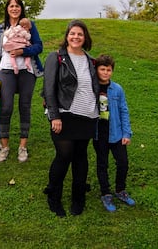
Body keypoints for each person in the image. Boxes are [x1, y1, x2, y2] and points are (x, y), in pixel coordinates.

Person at [43, 20, 99, 217]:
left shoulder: (91, 61)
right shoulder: (56, 57)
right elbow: (48, 89)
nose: (76, 37)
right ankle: (53, 196)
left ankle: (78, 198)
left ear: (85, 38)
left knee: (80, 157)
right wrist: (54, 115)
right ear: (67, 36)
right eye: (72, 33)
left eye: (80, 34)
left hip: (88, 115)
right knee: (64, 155)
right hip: (64, 114)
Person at [0, 0, 43, 163]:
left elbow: (39, 46)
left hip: (27, 70)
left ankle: (22, 147)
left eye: (17, 6)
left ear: (21, 8)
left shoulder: (29, 26)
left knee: (24, 106)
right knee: (6, 107)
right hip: (6, 70)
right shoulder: (0, 28)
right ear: (7, 8)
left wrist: (22, 52)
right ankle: (4, 147)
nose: (14, 9)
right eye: (11, 6)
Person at [92, 54, 135, 213]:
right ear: (97, 70)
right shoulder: (92, 87)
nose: (105, 73)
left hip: (116, 132)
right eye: (102, 69)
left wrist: (127, 133)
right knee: (102, 163)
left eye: (108, 70)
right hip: (98, 133)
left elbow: (124, 111)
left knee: (123, 162)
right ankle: (105, 193)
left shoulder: (117, 89)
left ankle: (120, 190)